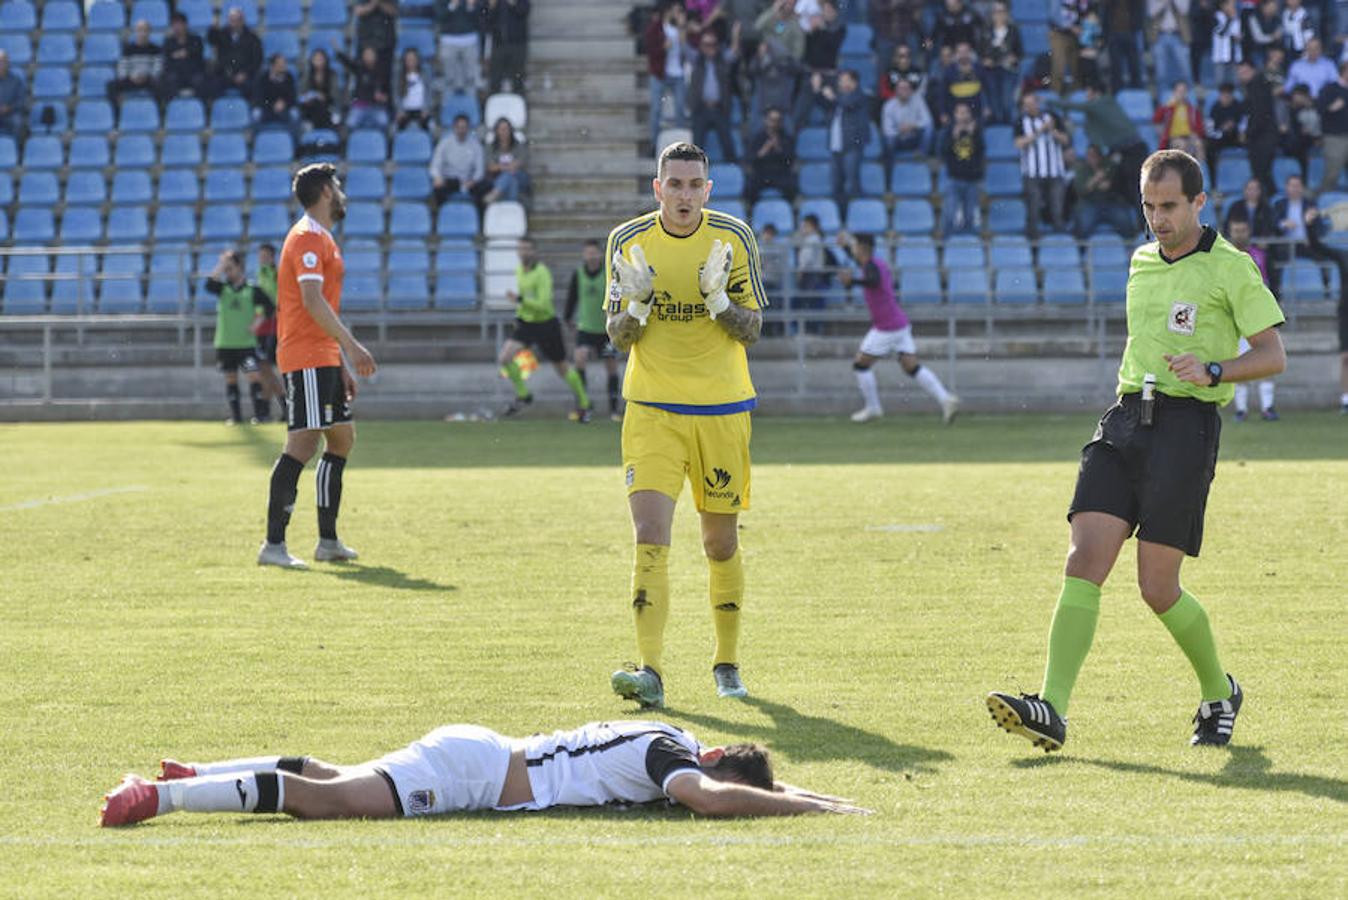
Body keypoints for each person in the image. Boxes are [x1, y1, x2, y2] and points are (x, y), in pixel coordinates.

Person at [987, 149, 1286, 753]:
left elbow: (1272, 354)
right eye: (1149, 206)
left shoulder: (1231, 267)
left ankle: (1218, 691)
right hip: (1126, 418)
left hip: (1187, 425)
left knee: (1156, 586)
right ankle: (1052, 708)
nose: (1158, 219)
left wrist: (1213, 368)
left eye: (1170, 206)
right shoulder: (1141, 261)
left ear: (1200, 202)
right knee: (1083, 558)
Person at [604, 142, 767, 708]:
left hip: (722, 411)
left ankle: (727, 663)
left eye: (694, 185)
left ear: (708, 190)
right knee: (649, 537)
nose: (684, 195)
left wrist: (718, 300)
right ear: (657, 188)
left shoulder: (733, 238)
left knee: (719, 543)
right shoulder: (627, 242)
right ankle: (650, 670)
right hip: (651, 408)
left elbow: (752, 330)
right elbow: (617, 335)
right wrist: (640, 305)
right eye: (674, 184)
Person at [98, 718, 870, 826]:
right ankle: (161, 796)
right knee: (330, 803)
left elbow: (731, 780)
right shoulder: (674, 759)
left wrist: (824, 797)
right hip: (476, 775)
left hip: (479, 751)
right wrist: (815, 814)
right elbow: (709, 798)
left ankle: (201, 768)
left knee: (340, 775)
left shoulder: (671, 737)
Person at [257, 164, 378, 570]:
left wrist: (340, 359)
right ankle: (273, 545)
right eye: (338, 187)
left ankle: (328, 541)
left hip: (323, 355)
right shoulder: (308, 237)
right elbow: (311, 300)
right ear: (326, 191)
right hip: (306, 355)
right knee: (303, 444)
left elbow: (320, 305)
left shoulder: (322, 238)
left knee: (341, 440)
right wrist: (353, 346)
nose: (342, 194)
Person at [837, 232, 960, 424]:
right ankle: (946, 399)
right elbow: (866, 270)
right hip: (899, 324)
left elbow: (873, 280)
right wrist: (844, 247)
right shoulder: (874, 263)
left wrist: (852, 282)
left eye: (854, 245)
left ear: (862, 248)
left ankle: (873, 407)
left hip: (887, 327)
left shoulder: (872, 267)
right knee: (912, 367)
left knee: (860, 365)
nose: (852, 249)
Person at [497, 237, 592, 420]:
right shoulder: (519, 270)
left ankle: (584, 403)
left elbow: (543, 304)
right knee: (505, 357)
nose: (523, 252)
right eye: (521, 249)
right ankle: (524, 395)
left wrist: (519, 300)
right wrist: (518, 314)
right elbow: (525, 298)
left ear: (534, 252)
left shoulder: (542, 272)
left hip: (546, 324)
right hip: (526, 322)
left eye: (527, 249)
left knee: (562, 368)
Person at [206, 250, 272, 426]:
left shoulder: (253, 290)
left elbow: (269, 307)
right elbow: (208, 284)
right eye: (226, 269)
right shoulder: (223, 289)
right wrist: (221, 264)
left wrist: (258, 321)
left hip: (246, 344)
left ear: (240, 268)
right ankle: (235, 417)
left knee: (254, 377)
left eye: (230, 268)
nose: (227, 272)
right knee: (231, 379)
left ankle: (261, 415)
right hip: (225, 343)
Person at [1224, 216, 1280, 421]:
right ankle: (1241, 410)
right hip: (1234, 322)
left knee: (1267, 363)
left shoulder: (1261, 255)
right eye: (1236, 230)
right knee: (1240, 364)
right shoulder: (1223, 257)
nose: (1239, 234)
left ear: (1248, 232)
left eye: (1243, 230)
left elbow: (1272, 284)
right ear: (1230, 232)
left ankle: (1268, 407)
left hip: (1259, 319)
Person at [564, 239, 623, 422]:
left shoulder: (608, 274)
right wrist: (567, 317)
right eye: (587, 252)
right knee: (579, 358)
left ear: (600, 254)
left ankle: (614, 410)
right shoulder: (579, 274)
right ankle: (583, 406)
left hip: (606, 330)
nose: (591, 256)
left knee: (611, 365)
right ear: (584, 255)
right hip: (586, 329)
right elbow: (572, 297)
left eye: (594, 252)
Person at [811, 69, 868, 212]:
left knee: (851, 183)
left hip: (851, 147)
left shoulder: (859, 95)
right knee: (837, 184)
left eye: (844, 80)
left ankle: (857, 214)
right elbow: (822, 102)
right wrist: (817, 89)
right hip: (836, 146)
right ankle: (841, 216)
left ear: (853, 82)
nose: (840, 83)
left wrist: (832, 96)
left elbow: (847, 104)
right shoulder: (838, 99)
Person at [1016, 91, 1070, 238]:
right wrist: (1040, 131)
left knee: (1057, 209)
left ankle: (1061, 241)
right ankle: (1034, 245)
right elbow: (1019, 143)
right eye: (1027, 105)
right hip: (1032, 173)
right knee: (1033, 210)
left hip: (1055, 172)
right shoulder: (1021, 121)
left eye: (1033, 103)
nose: (1031, 107)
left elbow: (1065, 140)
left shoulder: (1053, 117)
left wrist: (1052, 130)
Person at [689, 27, 741, 163]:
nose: (710, 48)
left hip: (719, 109)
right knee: (697, 145)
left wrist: (735, 35)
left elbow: (734, 53)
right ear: (701, 46)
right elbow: (684, 48)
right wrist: (683, 28)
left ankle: (733, 168)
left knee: (727, 142)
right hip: (701, 109)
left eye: (713, 44)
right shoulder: (696, 61)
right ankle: (696, 174)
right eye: (706, 45)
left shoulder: (722, 60)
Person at [646, 1, 689, 149]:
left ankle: (682, 145)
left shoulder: (680, 28)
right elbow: (651, 50)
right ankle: (653, 143)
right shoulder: (656, 27)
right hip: (660, 73)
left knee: (680, 108)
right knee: (656, 109)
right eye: (675, 11)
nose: (677, 14)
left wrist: (682, 26)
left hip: (677, 73)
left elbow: (685, 49)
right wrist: (663, 48)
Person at [1072, 144, 1138, 237]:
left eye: (1095, 155)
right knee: (1083, 224)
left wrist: (1106, 184)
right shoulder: (1082, 169)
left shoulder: (1108, 166)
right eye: (1089, 155)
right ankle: (1082, 250)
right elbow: (1081, 190)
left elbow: (1116, 184)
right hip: (1089, 203)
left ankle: (1130, 248)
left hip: (1110, 203)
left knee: (1124, 220)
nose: (1092, 158)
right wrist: (1095, 180)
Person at [940, 101, 984, 234]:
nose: (963, 116)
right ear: (955, 115)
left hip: (973, 180)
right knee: (949, 215)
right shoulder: (949, 131)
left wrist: (972, 136)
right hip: (954, 179)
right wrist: (954, 137)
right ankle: (946, 247)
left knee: (970, 217)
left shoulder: (977, 131)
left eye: (965, 113)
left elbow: (981, 152)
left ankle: (970, 250)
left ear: (970, 115)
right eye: (960, 113)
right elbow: (942, 152)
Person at [251, 243, 285, 417]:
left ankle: (270, 408)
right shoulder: (260, 274)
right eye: (260, 255)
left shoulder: (277, 273)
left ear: (272, 257)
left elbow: (274, 302)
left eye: (265, 255)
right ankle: (278, 407)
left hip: (273, 323)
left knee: (268, 367)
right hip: (262, 324)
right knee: (264, 368)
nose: (262, 258)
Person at [1238, 59, 1279, 196]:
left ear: (1253, 71)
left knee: (1261, 174)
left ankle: (1267, 203)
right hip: (1264, 136)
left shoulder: (1256, 86)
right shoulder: (1258, 84)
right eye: (1240, 72)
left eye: (1245, 71)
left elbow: (1258, 114)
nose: (1241, 75)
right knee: (1263, 174)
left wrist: (1247, 133)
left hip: (1262, 138)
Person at [206, 7, 264, 101]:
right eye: (231, 20)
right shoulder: (222, 34)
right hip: (226, 74)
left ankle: (252, 111)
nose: (234, 23)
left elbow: (258, 59)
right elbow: (211, 39)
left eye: (237, 20)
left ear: (242, 21)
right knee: (213, 83)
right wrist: (213, 28)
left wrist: (245, 73)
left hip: (245, 75)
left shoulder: (252, 38)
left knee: (255, 85)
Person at [745, 106, 798, 207]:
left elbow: (790, 160)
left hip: (780, 173)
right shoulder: (758, 138)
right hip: (762, 173)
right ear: (766, 120)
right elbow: (751, 159)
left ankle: (791, 213)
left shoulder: (786, 138)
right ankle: (751, 213)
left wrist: (778, 148)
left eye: (777, 120)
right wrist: (764, 149)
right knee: (750, 188)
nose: (774, 123)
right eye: (772, 120)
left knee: (791, 187)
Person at [979, 0, 1021, 123]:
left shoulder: (1013, 30)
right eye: (996, 12)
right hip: (990, 70)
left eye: (1001, 11)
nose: (998, 15)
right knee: (993, 98)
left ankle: (1007, 122)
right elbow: (980, 51)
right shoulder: (986, 30)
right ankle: (997, 122)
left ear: (1007, 13)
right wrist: (985, 60)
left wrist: (1014, 57)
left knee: (1007, 99)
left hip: (1007, 69)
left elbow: (1020, 52)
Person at [430, 113, 485, 205]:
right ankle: (443, 214)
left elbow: (480, 170)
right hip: (450, 181)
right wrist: (437, 177)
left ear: (468, 128)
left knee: (482, 187)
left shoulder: (476, 145)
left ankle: (478, 217)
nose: (461, 130)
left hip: (469, 181)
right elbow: (435, 165)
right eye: (459, 127)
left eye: (464, 127)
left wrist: (473, 181)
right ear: (454, 128)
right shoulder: (444, 143)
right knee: (438, 188)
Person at [336, 46, 392, 130]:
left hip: (376, 106)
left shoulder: (382, 72)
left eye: (370, 54)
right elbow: (348, 62)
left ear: (375, 56)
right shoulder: (359, 69)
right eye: (366, 54)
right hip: (360, 106)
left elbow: (387, 92)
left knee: (384, 121)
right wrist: (338, 51)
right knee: (350, 123)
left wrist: (384, 97)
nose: (368, 57)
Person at [109, 19, 162, 105]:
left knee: (161, 85)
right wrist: (130, 77)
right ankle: (117, 112)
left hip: (148, 79)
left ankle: (158, 111)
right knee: (111, 85)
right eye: (140, 30)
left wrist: (146, 76)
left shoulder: (156, 49)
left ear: (149, 32)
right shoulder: (128, 49)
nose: (143, 33)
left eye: (145, 30)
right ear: (136, 31)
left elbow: (158, 67)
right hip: (131, 79)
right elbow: (122, 67)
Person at [437, 0, 484, 95]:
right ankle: (449, 105)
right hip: (448, 40)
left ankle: (471, 104)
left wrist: (471, 6)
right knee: (449, 77)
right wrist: (452, 4)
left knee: (471, 77)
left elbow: (481, 17)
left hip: (469, 39)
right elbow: (439, 16)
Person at [1315, 60, 1348, 195]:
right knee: (1332, 174)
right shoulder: (1330, 88)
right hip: (1335, 137)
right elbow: (1320, 109)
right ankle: (1321, 203)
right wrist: (1331, 107)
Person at [481, 117, 531, 204]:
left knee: (511, 174)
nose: (504, 132)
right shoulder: (490, 148)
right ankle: (511, 207)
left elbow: (519, 163)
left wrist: (501, 167)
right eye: (501, 129)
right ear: (496, 131)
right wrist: (508, 167)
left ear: (510, 130)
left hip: (520, 176)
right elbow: (491, 167)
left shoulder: (519, 146)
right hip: (497, 178)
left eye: (506, 129)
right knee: (512, 181)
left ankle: (495, 193)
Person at [882, 78, 933, 162]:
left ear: (911, 90)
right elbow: (887, 130)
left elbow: (927, 120)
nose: (904, 91)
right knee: (889, 139)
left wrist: (912, 126)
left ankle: (921, 156)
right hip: (898, 138)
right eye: (901, 88)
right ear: (896, 91)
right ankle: (891, 163)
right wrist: (899, 130)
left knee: (929, 128)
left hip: (914, 136)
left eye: (907, 88)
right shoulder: (889, 105)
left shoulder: (918, 100)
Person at [1204, 81, 1245, 186]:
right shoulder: (1215, 108)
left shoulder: (1238, 106)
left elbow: (1244, 123)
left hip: (1236, 137)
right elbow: (1210, 130)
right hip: (1220, 137)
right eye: (1223, 95)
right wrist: (1222, 130)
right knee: (1209, 149)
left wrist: (1239, 131)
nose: (1225, 98)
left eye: (1228, 95)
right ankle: (1213, 181)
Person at [485, 0, 530, 94]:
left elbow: (523, 11)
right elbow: (486, 18)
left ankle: (520, 102)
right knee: (495, 78)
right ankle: (493, 103)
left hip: (518, 44)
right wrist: (492, 6)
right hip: (498, 44)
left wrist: (513, 3)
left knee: (518, 77)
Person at [1148, 0, 1192, 95]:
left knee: (1185, 71)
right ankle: (1164, 103)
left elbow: (1184, 10)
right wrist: (1163, 3)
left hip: (1178, 36)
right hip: (1160, 36)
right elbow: (1151, 13)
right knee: (1161, 73)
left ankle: (1189, 103)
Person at [159, 12, 204, 100]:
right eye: (174, 25)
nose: (177, 27)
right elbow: (167, 59)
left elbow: (198, 53)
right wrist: (185, 54)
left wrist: (185, 53)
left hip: (192, 72)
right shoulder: (168, 42)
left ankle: (199, 107)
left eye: (179, 24)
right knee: (168, 80)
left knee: (200, 80)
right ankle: (172, 106)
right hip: (176, 73)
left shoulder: (196, 39)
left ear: (185, 25)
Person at [253, 53, 299, 139]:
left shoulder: (289, 77)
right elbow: (259, 97)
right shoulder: (263, 78)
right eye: (280, 64)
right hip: (267, 108)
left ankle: (294, 145)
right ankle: (256, 143)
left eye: (284, 63)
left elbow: (292, 97)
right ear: (273, 65)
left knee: (295, 115)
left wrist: (284, 103)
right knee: (256, 115)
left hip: (285, 108)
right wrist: (271, 105)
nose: (283, 66)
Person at [354, 0, 398, 87]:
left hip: (385, 43)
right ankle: (363, 98)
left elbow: (394, 11)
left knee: (385, 77)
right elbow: (358, 11)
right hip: (366, 43)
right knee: (363, 76)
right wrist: (373, 4)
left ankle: (384, 98)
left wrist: (380, 3)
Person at [298, 49, 339, 130]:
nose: (318, 62)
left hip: (328, 104)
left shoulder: (332, 74)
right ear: (312, 61)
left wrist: (325, 97)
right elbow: (302, 92)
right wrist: (307, 97)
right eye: (316, 59)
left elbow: (335, 94)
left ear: (325, 60)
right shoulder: (308, 74)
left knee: (321, 107)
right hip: (311, 105)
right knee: (314, 105)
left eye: (320, 59)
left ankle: (320, 129)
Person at [1209, 0, 1242, 89]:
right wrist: (1230, 19)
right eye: (1230, 4)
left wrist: (1239, 37)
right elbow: (1220, 32)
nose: (1232, 7)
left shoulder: (1236, 17)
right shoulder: (1216, 16)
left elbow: (1237, 32)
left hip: (1233, 55)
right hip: (1220, 56)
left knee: (1235, 82)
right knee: (1219, 82)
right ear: (1223, 5)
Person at [395, 48, 429, 130]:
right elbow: (395, 94)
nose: (411, 62)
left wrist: (426, 109)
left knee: (432, 127)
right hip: (405, 111)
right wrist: (399, 110)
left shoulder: (424, 75)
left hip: (421, 110)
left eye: (413, 59)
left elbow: (429, 92)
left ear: (417, 60)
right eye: (408, 59)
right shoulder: (399, 76)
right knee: (394, 130)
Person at [0, 49, 24, 135]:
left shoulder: (16, 80)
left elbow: (21, 101)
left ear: (7, 63)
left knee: (17, 122)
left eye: (3, 62)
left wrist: (9, 108)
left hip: (10, 114)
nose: (1, 65)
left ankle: (14, 147)